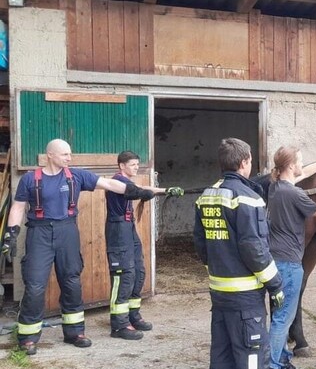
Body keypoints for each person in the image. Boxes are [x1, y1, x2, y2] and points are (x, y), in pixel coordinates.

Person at [1, 139, 155, 355]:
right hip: (39, 233)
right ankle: (28, 337)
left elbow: (109, 184)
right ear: (50, 155)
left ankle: (75, 332)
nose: (69, 158)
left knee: (71, 281)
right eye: (65, 154)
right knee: (35, 286)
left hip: (67, 231)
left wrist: (136, 191)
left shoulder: (76, 175)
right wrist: (11, 234)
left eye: (70, 154)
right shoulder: (30, 179)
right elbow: (17, 207)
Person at [194, 138, 285, 369]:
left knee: (222, 358)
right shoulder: (249, 198)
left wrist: (220, 264)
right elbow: (254, 248)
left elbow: (200, 242)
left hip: (219, 293)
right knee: (252, 360)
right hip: (246, 298)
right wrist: (275, 284)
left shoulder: (206, 195)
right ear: (244, 162)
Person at [262, 146, 316, 369]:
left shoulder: (275, 186)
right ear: (291, 166)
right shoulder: (295, 195)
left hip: (275, 259)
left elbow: (298, 175)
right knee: (282, 320)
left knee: (280, 315)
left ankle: (283, 361)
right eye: (300, 161)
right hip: (289, 262)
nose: (303, 165)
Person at [106, 151, 184, 340]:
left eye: (137, 165)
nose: (136, 168)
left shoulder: (128, 182)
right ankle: (119, 325)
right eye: (132, 165)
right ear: (121, 166)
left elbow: (143, 188)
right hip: (118, 229)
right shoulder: (117, 181)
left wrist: (166, 190)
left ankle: (133, 316)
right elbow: (137, 192)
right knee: (123, 275)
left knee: (138, 272)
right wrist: (148, 193)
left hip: (128, 227)